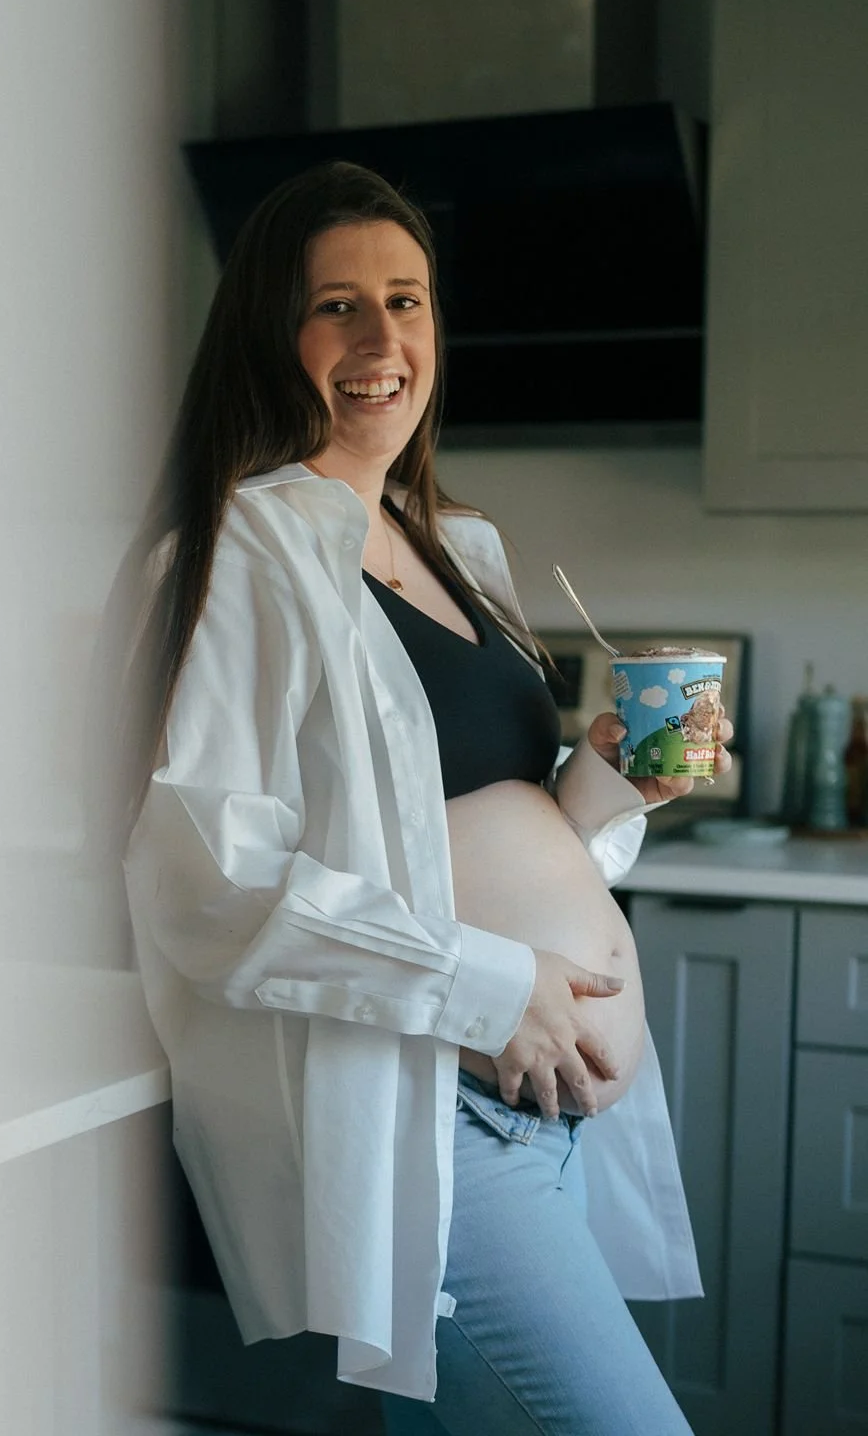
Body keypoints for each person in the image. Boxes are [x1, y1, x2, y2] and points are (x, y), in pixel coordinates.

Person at [89, 161, 732, 1434]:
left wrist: (614, 775)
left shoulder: (455, 542)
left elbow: (500, 821)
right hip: (430, 1118)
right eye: (339, 306)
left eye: (409, 299)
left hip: (540, 1114)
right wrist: (497, 986)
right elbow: (205, 882)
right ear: (273, 334)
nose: (384, 340)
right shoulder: (232, 552)